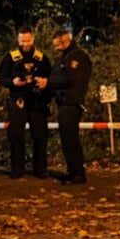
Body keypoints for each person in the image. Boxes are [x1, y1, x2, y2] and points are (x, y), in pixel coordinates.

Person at [0, 27, 52, 179]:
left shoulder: (41, 58)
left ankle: (40, 169)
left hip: (37, 101)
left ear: (33, 39)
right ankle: (17, 169)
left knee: (40, 135)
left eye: (28, 40)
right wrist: (12, 82)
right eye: (22, 41)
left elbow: (51, 78)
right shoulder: (10, 57)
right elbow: (1, 79)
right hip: (17, 100)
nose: (25, 44)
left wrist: (44, 82)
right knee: (15, 135)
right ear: (18, 40)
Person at [49, 29, 92, 185]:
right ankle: (73, 171)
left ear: (64, 41)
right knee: (67, 140)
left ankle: (78, 173)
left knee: (71, 140)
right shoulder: (66, 57)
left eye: (57, 45)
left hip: (71, 104)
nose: (55, 49)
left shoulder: (77, 58)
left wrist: (49, 82)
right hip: (64, 104)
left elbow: (69, 78)